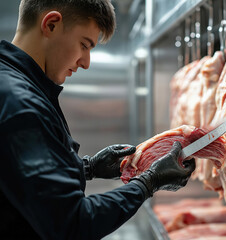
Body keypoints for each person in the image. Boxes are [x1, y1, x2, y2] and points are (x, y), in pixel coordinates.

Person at [0, 0, 196, 239]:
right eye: (84, 45)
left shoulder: (15, 86)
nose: (86, 62)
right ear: (51, 24)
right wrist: (148, 183)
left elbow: (23, 181)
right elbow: (71, 224)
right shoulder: (20, 103)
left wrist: (88, 168)